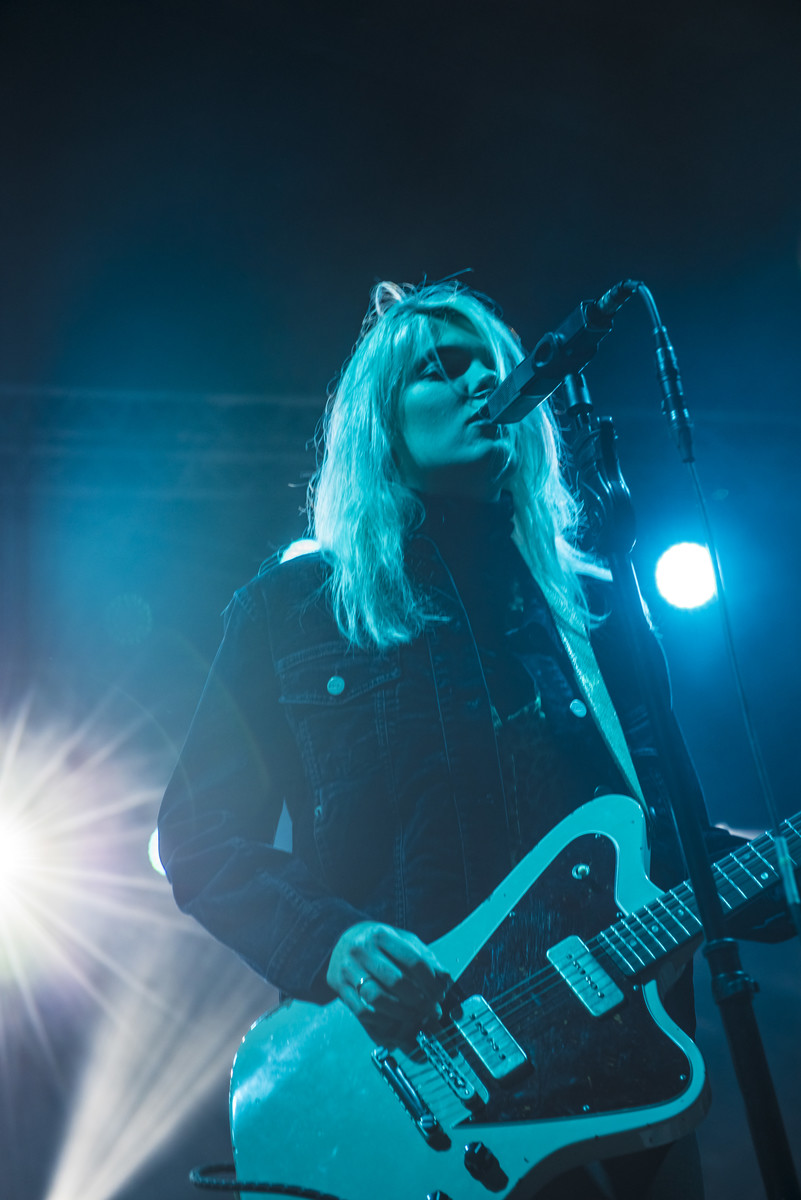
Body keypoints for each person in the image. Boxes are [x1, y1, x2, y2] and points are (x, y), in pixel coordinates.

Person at [158, 280, 786, 1199]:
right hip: (409, 1092)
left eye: (489, 363)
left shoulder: (593, 605)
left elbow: (663, 844)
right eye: (439, 368)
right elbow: (200, 836)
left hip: (620, 1095)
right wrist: (331, 943)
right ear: (379, 421)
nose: (480, 381)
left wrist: (772, 867)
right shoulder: (291, 610)